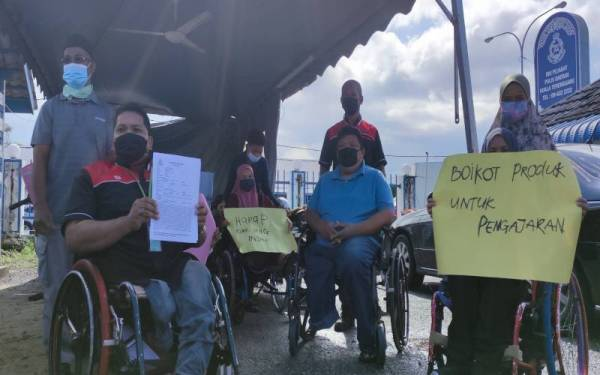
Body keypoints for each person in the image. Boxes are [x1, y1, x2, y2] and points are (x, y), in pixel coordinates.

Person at [63, 103, 215, 374]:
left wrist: (197, 226)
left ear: (150, 139)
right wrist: (128, 222)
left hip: (169, 264)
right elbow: (74, 236)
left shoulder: (171, 174)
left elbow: (192, 239)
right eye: (121, 129)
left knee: (198, 280)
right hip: (120, 265)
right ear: (113, 139)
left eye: (136, 129)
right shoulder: (93, 175)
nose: (128, 134)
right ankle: (160, 339)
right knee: (163, 297)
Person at [429, 129, 587, 375]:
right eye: (493, 151)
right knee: (462, 284)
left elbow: (552, 216)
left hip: (510, 267)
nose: (499, 155)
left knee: (497, 291)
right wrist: (437, 205)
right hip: (472, 264)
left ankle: (487, 362)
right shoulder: (471, 183)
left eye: (505, 150)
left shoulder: (529, 187)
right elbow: (454, 205)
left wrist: (573, 208)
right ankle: (458, 361)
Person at [31, 34, 113, 346]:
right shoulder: (51, 110)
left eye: (78, 58)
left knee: (93, 286)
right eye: (66, 59)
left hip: (92, 218)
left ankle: (88, 349)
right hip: (55, 218)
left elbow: (108, 163)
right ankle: (57, 355)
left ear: (91, 67)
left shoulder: (105, 113)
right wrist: (41, 207)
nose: (72, 64)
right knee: (55, 288)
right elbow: (40, 158)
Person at [305, 126, 395, 362]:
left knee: (352, 258)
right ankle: (323, 316)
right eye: (342, 148)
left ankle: (367, 339)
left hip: (361, 238)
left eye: (352, 148)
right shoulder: (325, 181)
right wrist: (323, 227)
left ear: (363, 152)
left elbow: (388, 214)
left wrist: (351, 230)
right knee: (313, 256)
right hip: (327, 238)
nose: (347, 151)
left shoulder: (375, 178)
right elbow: (310, 213)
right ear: (336, 153)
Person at [319, 79, 388, 331]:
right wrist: (323, 198)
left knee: (358, 255)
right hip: (338, 205)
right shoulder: (332, 132)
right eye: (345, 96)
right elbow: (324, 167)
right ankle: (348, 313)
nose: (349, 99)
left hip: (366, 208)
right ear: (341, 101)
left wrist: (384, 203)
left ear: (361, 99)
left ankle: (367, 310)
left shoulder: (371, 131)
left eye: (353, 95)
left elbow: (380, 166)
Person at [486, 74, 554, 151]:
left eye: (519, 98)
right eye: (507, 99)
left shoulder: (542, 139)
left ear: (528, 99)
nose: (513, 103)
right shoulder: (491, 140)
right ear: (500, 102)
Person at [224, 129, 280, 207]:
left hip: (255, 200)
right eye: (254, 151)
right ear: (247, 146)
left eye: (259, 152)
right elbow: (230, 183)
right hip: (237, 201)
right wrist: (223, 200)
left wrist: (277, 204)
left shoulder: (263, 162)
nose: (257, 155)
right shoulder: (238, 160)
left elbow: (266, 187)